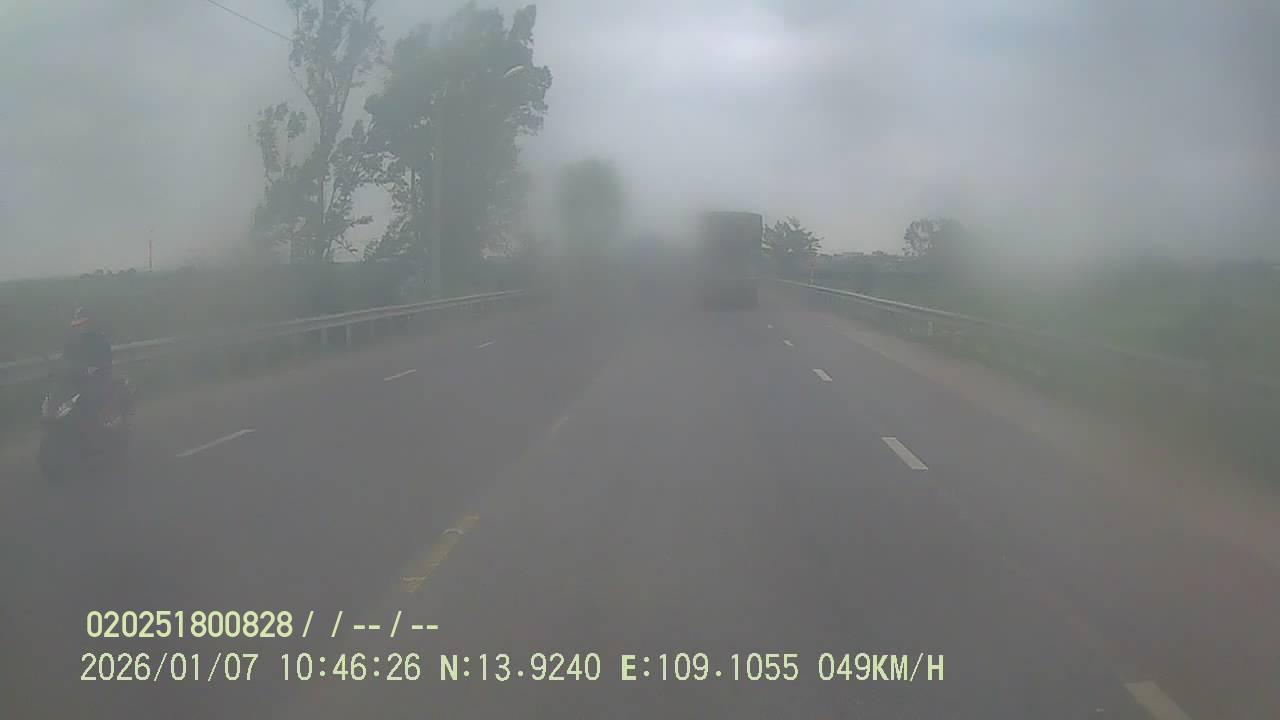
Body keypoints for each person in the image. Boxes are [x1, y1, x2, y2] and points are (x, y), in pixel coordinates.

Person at [62, 306, 114, 418]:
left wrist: (95, 369)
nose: (79, 327)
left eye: (82, 324)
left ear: (89, 324)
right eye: (77, 325)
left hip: (97, 378)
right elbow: (66, 359)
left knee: (95, 397)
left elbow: (106, 360)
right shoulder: (71, 342)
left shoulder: (100, 339)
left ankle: (104, 418)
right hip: (76, 378)